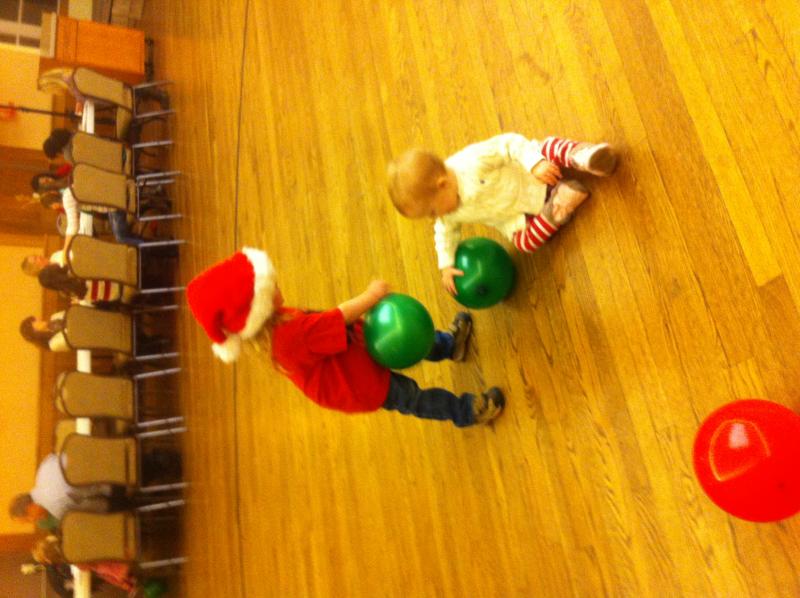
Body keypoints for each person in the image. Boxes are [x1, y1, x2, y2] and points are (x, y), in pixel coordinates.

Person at [187, 249, 505, 427]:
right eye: (270, 288)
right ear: (256, 310)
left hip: (351, 353)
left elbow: (328, 325)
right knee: (411, 397)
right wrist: (370, 297)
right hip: (355, 381)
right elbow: (336, 317)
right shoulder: (287, 338)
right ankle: (468, 410)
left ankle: (450, 345)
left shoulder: (278, 322)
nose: (278, 286)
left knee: (404, 340)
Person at [387, 133, 618, 293]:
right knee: (525, 243)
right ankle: (560, 203)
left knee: (547, 148)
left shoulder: (471, 162)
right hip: (520, 214)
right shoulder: (446, 215)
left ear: (442, 184)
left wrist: (534, 163)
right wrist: (446, 264)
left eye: (431, 211)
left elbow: (509, 144)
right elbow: (443, 234)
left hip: (533, 175)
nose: (434, 218)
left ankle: (584, 155)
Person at [32, 172, 146, 248]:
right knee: (113, 225)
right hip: (117, 183)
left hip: (114, 203)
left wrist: (65, 250)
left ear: (53, 203)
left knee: (121, 238)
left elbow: (73, 227)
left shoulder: (67, 197)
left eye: (52, 206)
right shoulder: (69, 181)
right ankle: (145, 202)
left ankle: (149, 245)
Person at [9, 454, 112, 523]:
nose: (34, 521)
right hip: (105, 457)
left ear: (30, 508)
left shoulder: (58, 511)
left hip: (111, 484)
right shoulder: (43, 468)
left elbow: (99, 506)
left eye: (28, 519)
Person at [21, 253, 137, 306]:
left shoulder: (46, 280)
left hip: (105, 295)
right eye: (36, 258)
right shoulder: (46, 274)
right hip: (108, 283)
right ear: (35, 268)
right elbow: (73, 274)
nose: (39, 256)